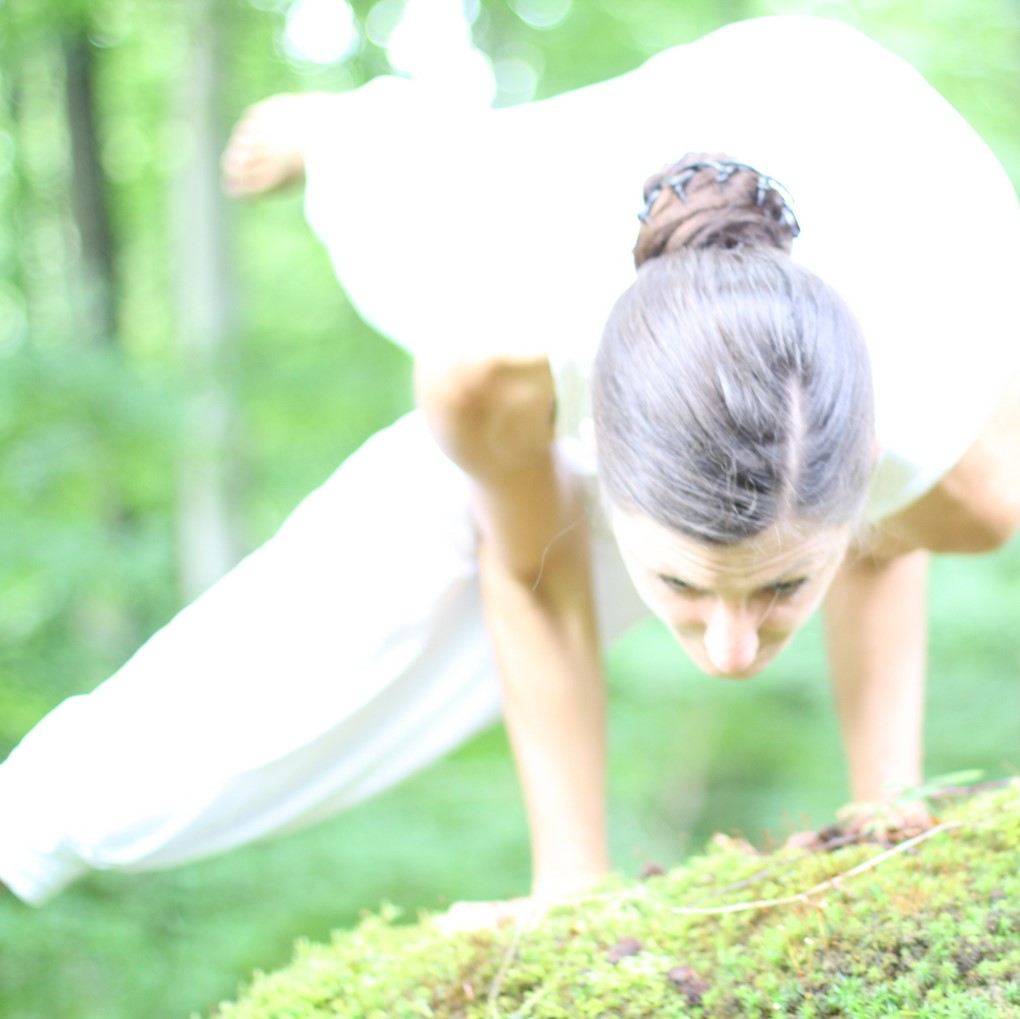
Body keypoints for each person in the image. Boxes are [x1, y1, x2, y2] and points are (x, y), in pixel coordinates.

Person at [1, 16, 1017, 926]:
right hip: (514, 200)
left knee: (941, 509)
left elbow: (884, 548)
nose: (732, 655)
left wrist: (887, 818)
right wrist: (571, 879)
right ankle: (24, 818)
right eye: (686, 591)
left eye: (785, 585)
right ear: (601, 458)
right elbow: (533, 574)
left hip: (888, 169)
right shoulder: (493, 337)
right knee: (364, 592)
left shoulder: (938, 410)